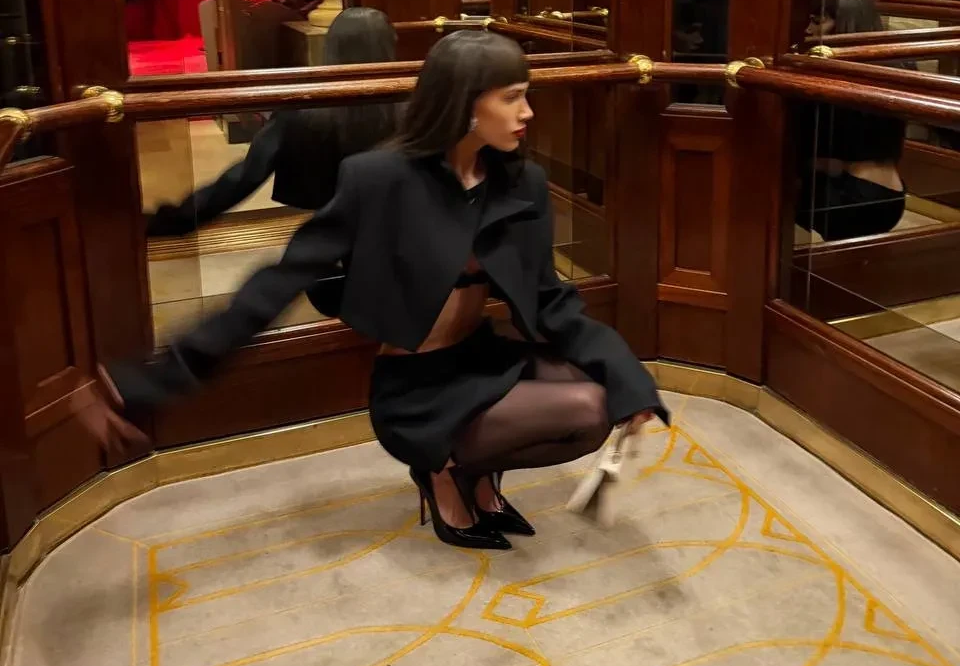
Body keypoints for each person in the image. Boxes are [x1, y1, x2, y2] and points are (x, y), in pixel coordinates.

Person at [75, 31, 667, 550]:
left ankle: (473, 470)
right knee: (584, 405)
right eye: (512, 97)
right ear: (465, 104)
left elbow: (552, 299)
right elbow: (277, 284)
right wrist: (147, 383)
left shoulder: (521, 182)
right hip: (416, 384)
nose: (528, 112)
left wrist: (631, 380)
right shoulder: (378, 178)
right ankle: (440, 466)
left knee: (604, 401)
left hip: (481, 355)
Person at [146, 6, 398, 236]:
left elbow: (246, 175)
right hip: (396, 218)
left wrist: (180, 218)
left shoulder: (301, 108)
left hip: (325, 215)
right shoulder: (409, 103)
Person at [797, 0, 907, 240]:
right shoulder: (895, 65)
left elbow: (825, 156)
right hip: (894, 195)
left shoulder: (838, 81)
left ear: (844, 24)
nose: (808, 30)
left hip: (851, 197)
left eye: (817, 22)